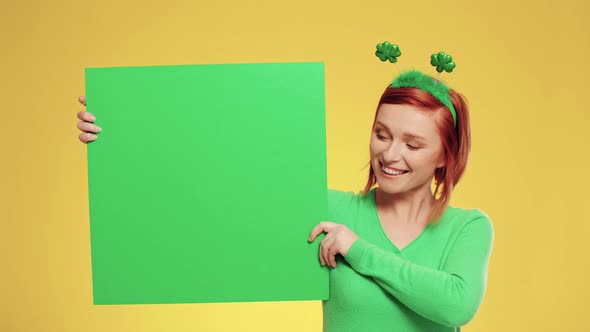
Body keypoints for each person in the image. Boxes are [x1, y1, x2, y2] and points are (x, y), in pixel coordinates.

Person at [76, 68, 493, 332]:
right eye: (382, 134)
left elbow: (455, 304)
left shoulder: (468, 228)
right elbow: (219, 185)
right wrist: (119, 134)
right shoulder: (330, 211)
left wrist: (358, 250)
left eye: (413, 144)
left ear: (445, 156)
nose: (389, 154)